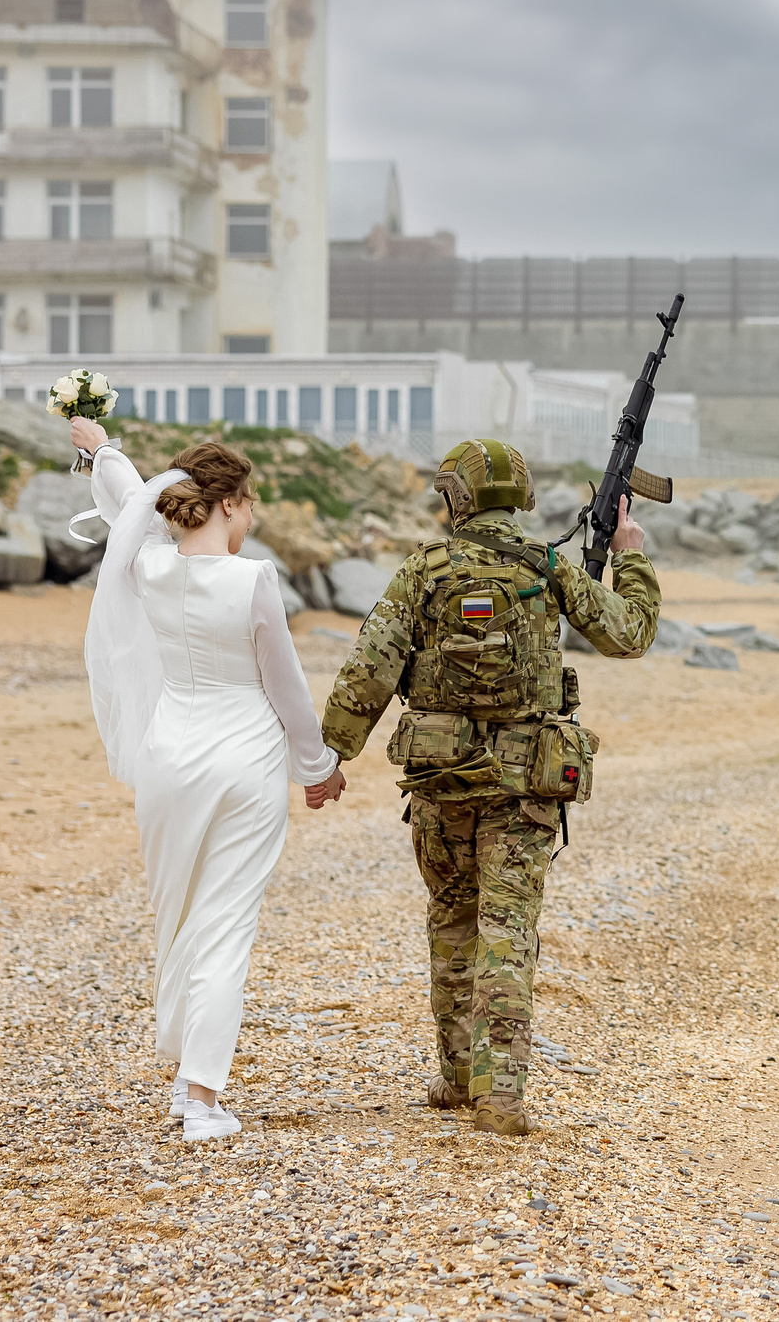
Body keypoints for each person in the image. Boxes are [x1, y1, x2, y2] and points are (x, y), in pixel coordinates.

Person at [319, 438, 659, 1137]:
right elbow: (629, 633)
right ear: (522, 498)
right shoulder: (549, 566)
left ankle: (458, 1075)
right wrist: (629, 551)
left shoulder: (424, 570)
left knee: (452, 919)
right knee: (508, 929)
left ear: (457, 497)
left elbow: (369, 670)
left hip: (442, 782)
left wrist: (328, 756)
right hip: (525, 782)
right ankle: (500, 1097)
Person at [72, 417, 341, 1143]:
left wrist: (98, 450)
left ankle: (188, 1075)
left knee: (181, 917)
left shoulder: (149, 565)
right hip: (243, 759)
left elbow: (131, 499)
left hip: (167, 758)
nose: (251, 517)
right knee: (225, 924)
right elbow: (286, 687)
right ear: (228, 503)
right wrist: (317, 768)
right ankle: (200, 1096)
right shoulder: (251, 579)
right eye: (249, 503)